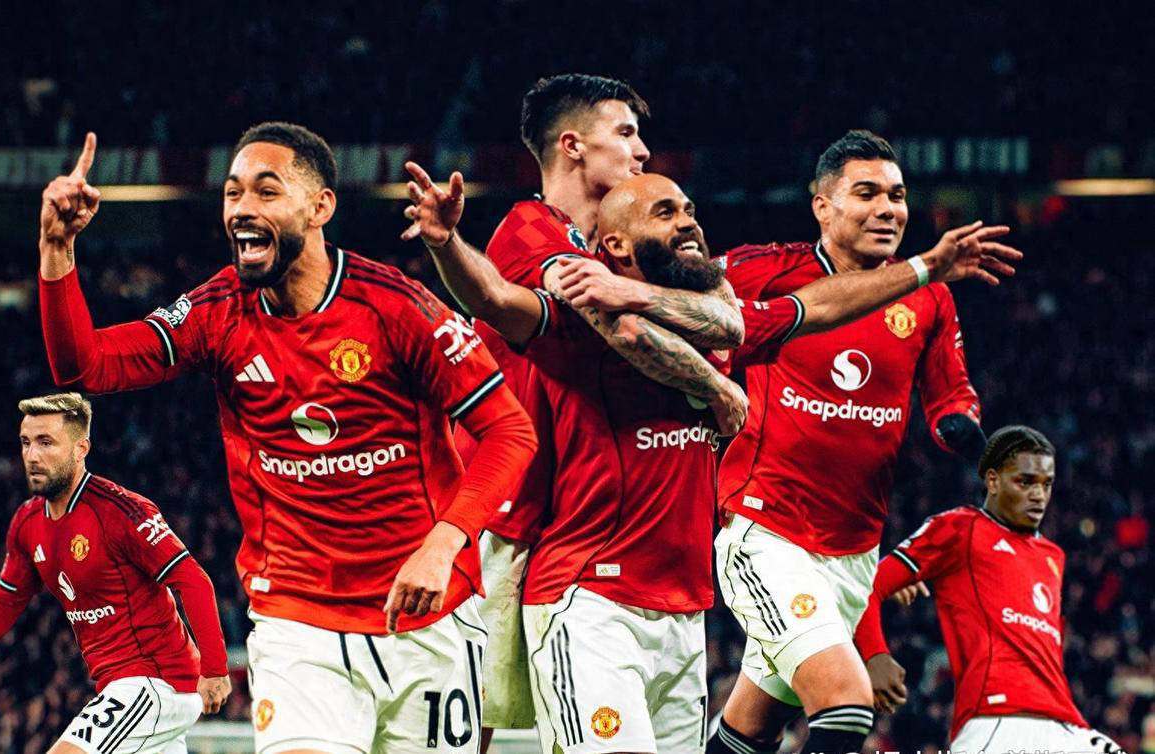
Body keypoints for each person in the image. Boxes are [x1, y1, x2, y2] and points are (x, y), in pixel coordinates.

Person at [402, 165, 1018, 754]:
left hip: (683, 612)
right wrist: (446, 243)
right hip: (589, 598)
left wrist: (925, 268)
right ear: (614, 244)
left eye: (690, 210)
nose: (688, 222)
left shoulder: (719, 328)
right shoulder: (581, 325)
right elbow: (498, 300)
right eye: (665, 212)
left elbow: (821, 306)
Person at [37, 124, 537, 754]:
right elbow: (84, 367)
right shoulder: (217, 311)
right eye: (232, 193)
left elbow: (510, 430)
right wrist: (56, 249)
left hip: (425, 619)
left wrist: (444, 542)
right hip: (297, 625)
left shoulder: (396, 307)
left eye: (266, 191)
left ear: (319, 207)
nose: (242, 209)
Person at [426, 73, 749, 747]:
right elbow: (615, 329)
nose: (642, 150)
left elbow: (728, 321)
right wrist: (717, 389)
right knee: (469, 731)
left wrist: (638, 294)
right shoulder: (532, 230)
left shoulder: (637, 255)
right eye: (625, 133)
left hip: (569, 514)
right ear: (572, 146)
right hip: (502, 517)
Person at [707, 130, 1001, 754]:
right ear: (822, 206)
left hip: (855, 553)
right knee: (845, 707)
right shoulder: (766, 271)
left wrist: (963, 428)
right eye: (866, 193)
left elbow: (950, 391)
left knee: (749, 731)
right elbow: (686, 293)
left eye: (897, 195)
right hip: (768, 533)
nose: (888, 209)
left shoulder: (929, 298)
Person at [0, 392, 230, 754]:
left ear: (81, 449)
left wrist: (215, 669)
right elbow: (10, 595)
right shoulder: (27, 522)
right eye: (26, 442)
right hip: (122, 686)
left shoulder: (121, 511)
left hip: (155, 681)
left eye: (46, 442)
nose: (32, 455)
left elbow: (192, 580)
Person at [855, 426, 1127, 753]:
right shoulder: (960, 527)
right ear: (994, 481)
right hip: (997, 719)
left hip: (1064, 724)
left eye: (1046, 484)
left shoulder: (1052, 555)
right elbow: (867, 585)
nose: (1038, 495)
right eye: (1025, 482)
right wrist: (875, 655)